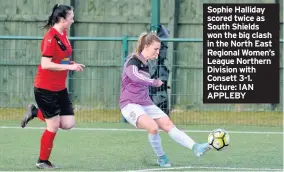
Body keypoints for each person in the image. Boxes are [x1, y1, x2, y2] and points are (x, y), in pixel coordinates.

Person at [119, 32, 210, 167]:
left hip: (145, 102)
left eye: (159, 49)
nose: (157, 52)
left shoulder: (146, 63)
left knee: (168, 124)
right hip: (130, 105)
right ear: (146, 46)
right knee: (153, 127)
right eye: (155, 49)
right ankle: (162, 157)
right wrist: (153, 82)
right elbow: (134, 76)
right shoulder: (133, 60)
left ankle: (195, 147)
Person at [20, 4, 85, 169]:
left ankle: (35, 112)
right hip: (45, 89)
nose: (73, 20)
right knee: (53, 125)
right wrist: (69, 67)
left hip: (59, 88)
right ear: (63, 19)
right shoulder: (50, 37)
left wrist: (71, 63)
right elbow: (46, 63)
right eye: (71, 17)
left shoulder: (64, 33)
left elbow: (60, 58)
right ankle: (42, 161)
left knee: (68, 123)